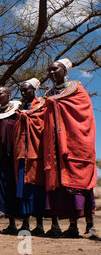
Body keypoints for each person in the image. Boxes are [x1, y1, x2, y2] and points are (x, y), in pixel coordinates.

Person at [43, 58, 97, 238]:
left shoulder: (78, 91)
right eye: (49, 70)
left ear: (65, 71)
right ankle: (72, 226)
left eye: (55, 69)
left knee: (81, 182)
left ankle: (90, 225)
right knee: (65, 186)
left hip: (77, 144)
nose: (51, 73)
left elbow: (84, 115)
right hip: (57, 146)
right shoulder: (48, 95)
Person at [12, 79, 62, 237]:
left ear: (34, 90)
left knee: (40, 190)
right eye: (21, 91)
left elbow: (44, 125)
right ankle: (26, 224)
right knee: (24, 191)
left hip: (38, 154)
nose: (23, 93)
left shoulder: (41, 105)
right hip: (22, 154)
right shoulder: (19, 109)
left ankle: (46, 224)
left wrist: (27, 119)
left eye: (26, 90)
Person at [0, 86, 23, 234]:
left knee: (16, 187)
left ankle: (25, 222)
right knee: (4, 189)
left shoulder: (17, 112)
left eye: (0, 93)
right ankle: (11, 223)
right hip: (1, 157)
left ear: (8, 95)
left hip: (14, 155)